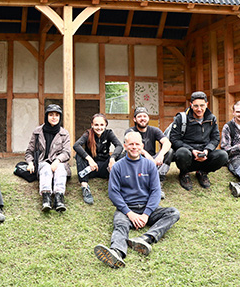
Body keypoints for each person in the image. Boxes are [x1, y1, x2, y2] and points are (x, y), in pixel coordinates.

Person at [94, 132, 180, 269]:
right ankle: (116, 253)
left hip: (147, 208)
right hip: (127, 209)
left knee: (173, 213)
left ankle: (145, 239)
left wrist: (146, 214)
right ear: (125, 146)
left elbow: (156, 192)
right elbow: (113, 193)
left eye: (137, 144)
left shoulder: (150, 165)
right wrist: (129, 213)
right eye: (131, 144)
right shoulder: (117, 167)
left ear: (142, 146)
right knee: (120, 224)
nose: (134, 147)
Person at [169, 91, 228, 190]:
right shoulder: (181, 118)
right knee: (181, 153)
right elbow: (174, 139)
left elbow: (215, 138)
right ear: (191, 105)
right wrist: (192, 150)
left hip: (204, 153)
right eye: (196, 106)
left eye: (202, 105)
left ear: (207, 104)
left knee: (223, 155)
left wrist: (207, 150)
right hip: (188, 154)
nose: (199, 109)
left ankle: (202, 172)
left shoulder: (212, 119)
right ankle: (184, 174)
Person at [25, 104, 71, 212]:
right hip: (42, 162)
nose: (54, 117)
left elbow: (67, 152)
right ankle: (46, 198)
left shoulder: (64, 133)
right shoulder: (37, 132)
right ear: (46, 116)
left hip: (59, 163)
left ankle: (59, 198)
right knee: (46, 168)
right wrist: (30, 163)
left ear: (60, 117)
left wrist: (57, 160)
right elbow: (29, 152)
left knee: (59, 168)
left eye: (56, 115)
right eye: (51, 115)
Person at [73, 113, 123, 204]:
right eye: (96, 125)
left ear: (105, 125)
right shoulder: (88, 134)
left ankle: (118, 187)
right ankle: (85, 187)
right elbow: (76, 145)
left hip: (105, 168)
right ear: (92, 125)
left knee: (120, 156)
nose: (99, 127)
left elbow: (119, 146)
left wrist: (112, 158)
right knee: (78, 155)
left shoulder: (109, 133)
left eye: (101, 125)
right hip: (91, 169)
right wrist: (89, 159)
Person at [124, 107, 173, 182]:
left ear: (148, 118)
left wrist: (161, 155)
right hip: (138, 159)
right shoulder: (130, 131)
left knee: (170, 151)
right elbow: (132, 148)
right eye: (139, 116)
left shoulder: (154, 130)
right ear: (134, 119)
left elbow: (167, 142)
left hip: (153, 160)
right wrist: (146, 154)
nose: (142, 118)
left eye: (145, 116)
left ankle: (159, 177)